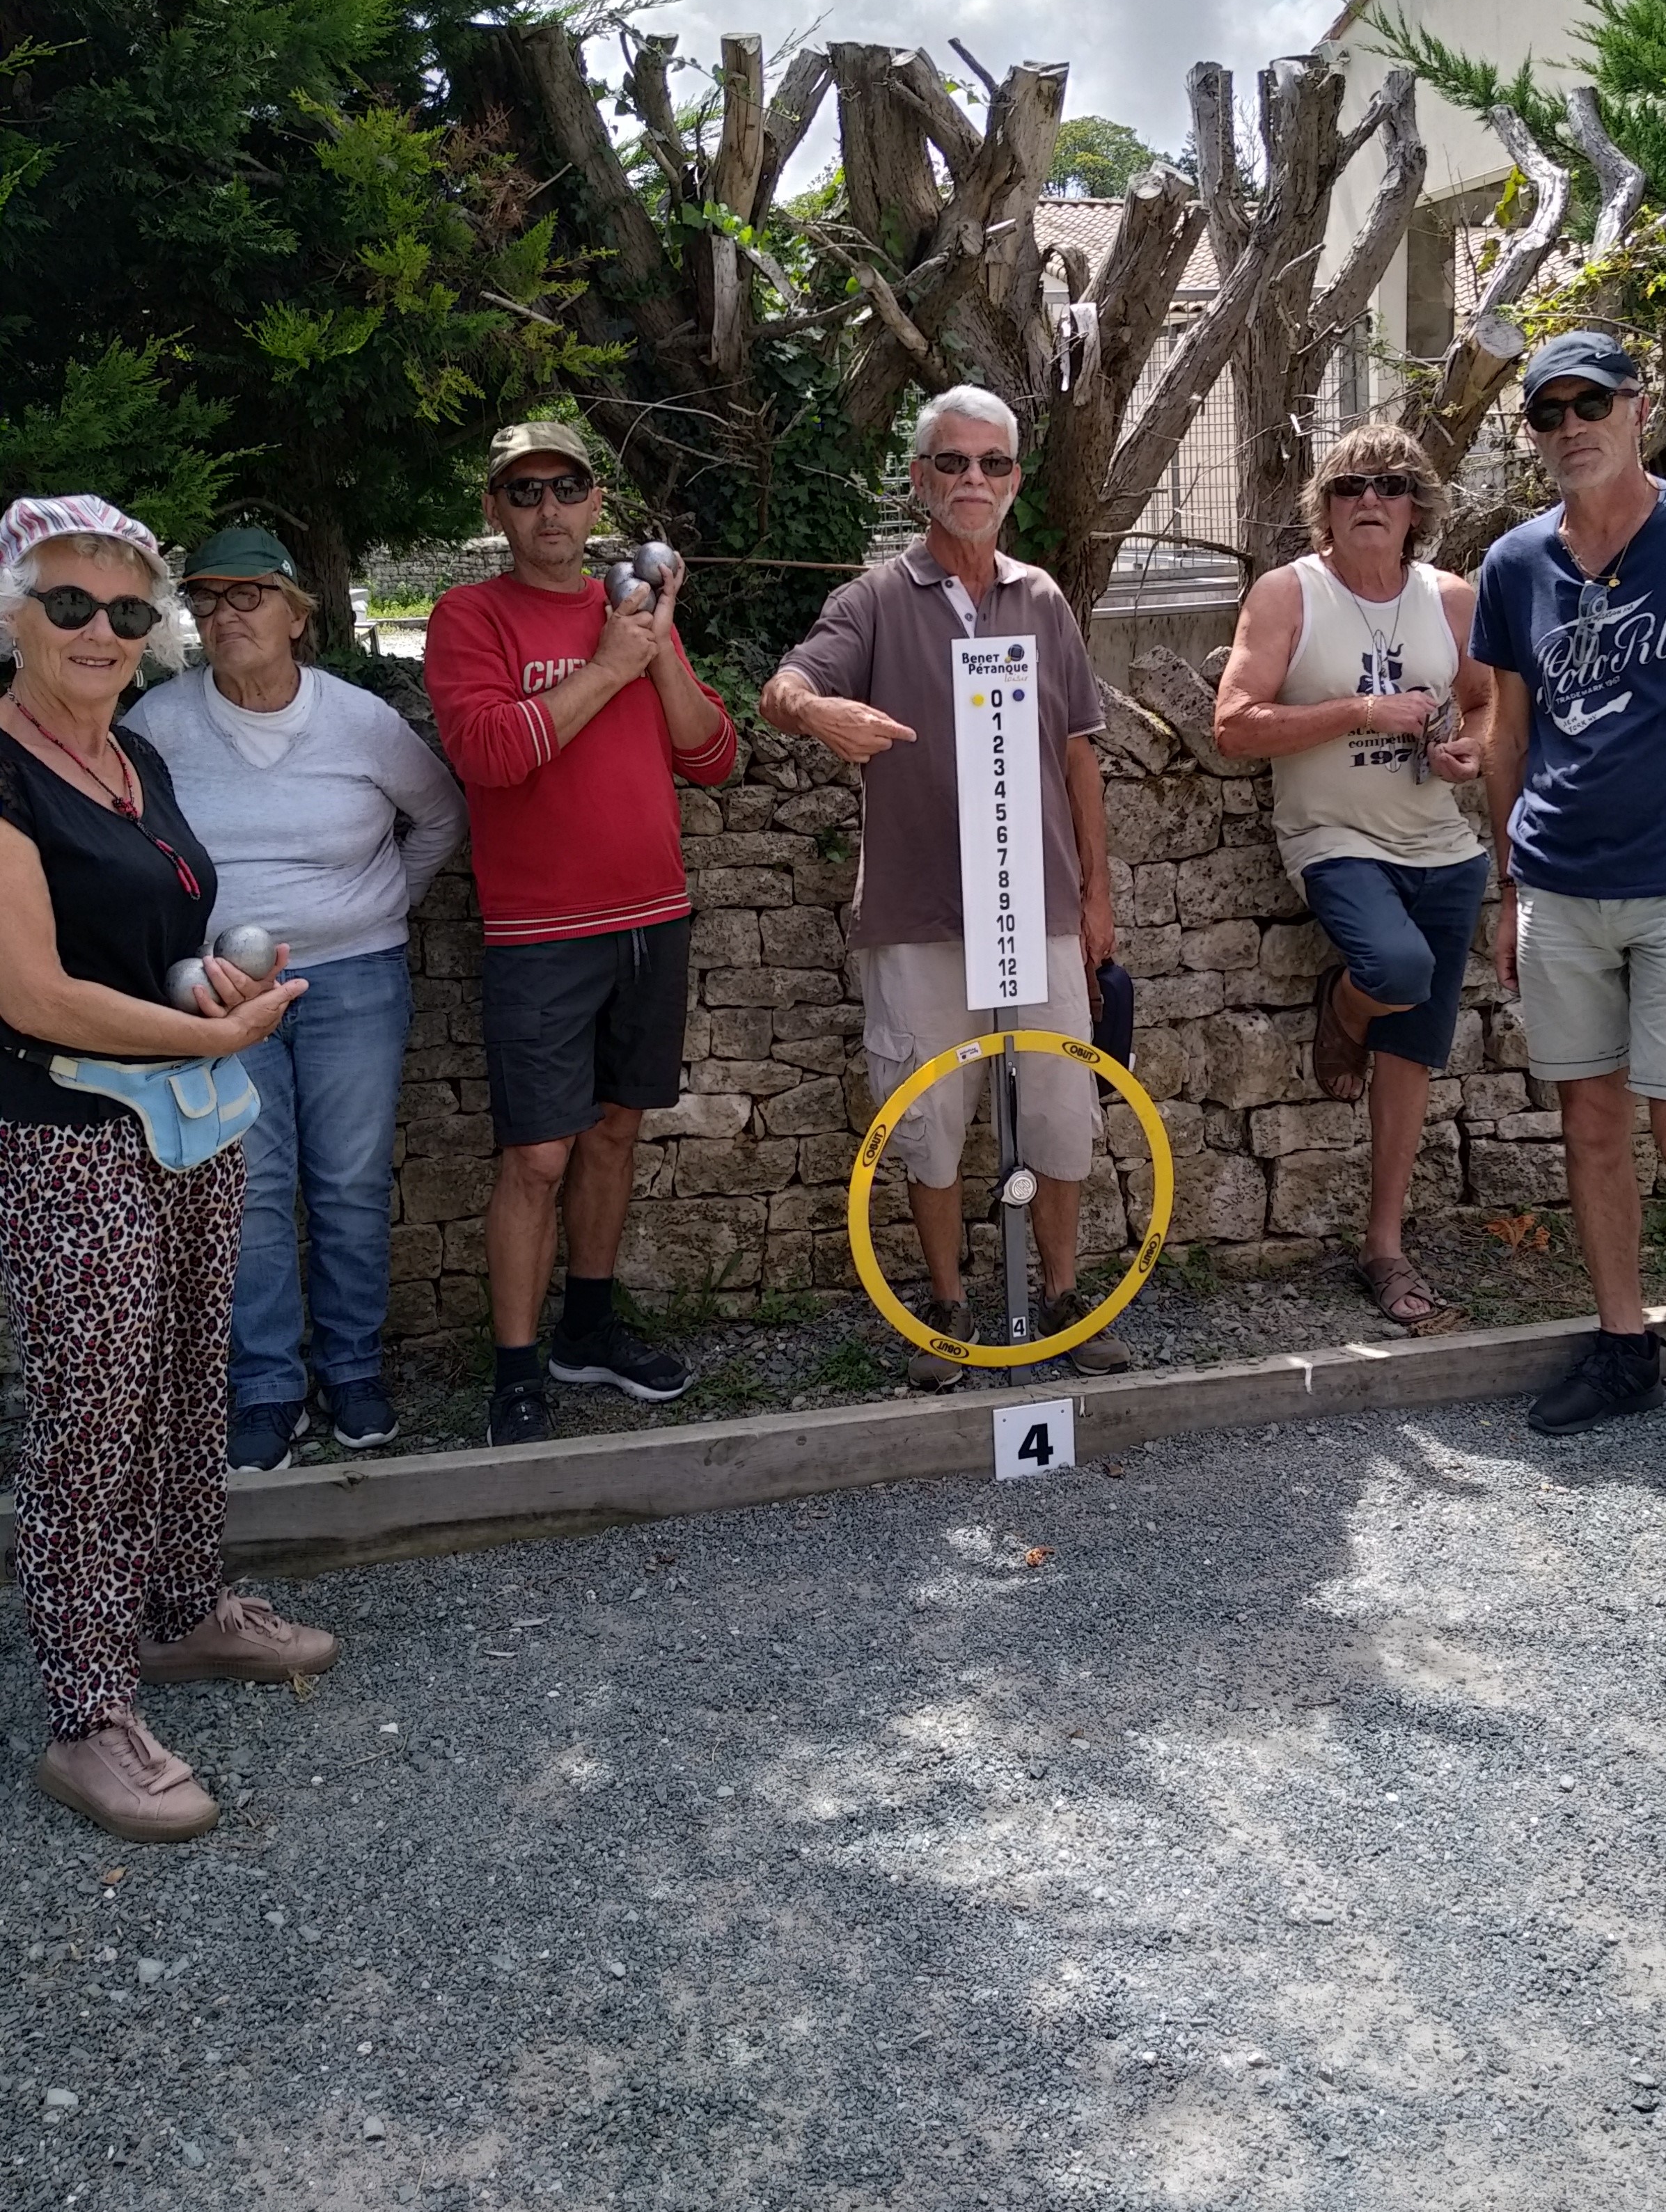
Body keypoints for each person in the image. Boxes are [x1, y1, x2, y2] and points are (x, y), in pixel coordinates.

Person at [0, 495, 336, 1843]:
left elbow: (148, 946)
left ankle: (183, 1610)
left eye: (128, 609)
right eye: (69, 603)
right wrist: (223, 1030)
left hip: (184, 1120)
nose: (101, 630)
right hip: (67, 1130)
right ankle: (88, 1717)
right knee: (92, 1416)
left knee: (193, 1375)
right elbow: (32, 992)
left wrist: (209, 983)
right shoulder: (4, 768)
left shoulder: (135, 757)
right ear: (15, 615)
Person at [1472, 333, 1666, 1496]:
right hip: (1559, 886)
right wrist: (1511, 885)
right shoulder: (1514, 563)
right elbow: (1508, 733)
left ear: (1638, 409)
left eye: (1590, 403)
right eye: (1548, 412)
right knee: (1591, 1126)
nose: (1571, 427)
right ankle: (1623, 1347)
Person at [759, 384, 1126, 1387]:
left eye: (993, 463)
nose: (974, 479)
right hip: (919, 916)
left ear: (1015, 479)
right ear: (920, 478)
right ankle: (950, 1307)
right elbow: (787, 685)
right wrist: (817, 713)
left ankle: (1062, 1297)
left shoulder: (1043, 600)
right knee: (929, 1121)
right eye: (953, 462)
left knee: (1058, 1108)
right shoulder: (875, 600)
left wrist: (1096, 897)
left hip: (1038, 909)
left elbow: (1080, 755)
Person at [425, 422, 738, 1445]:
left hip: (650, 917)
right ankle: (516, 1372)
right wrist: (608, 665)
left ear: (597, 502)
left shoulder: (633, 614)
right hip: (540, 933)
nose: (548, 508)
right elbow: (489, 754)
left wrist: (659, 645)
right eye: (524, 492)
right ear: (495, 511)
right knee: (537, 1157)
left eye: (566, 487)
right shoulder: (469, 617)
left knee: (614, 1133)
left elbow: (713, 756)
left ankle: (587, 1332)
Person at [128, 523, 467, 1468]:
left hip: (354, 978)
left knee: (351, 1183)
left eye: (249, 596)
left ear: (296, 615)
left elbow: (441, 816)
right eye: (207, 598)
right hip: (221, 991)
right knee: (251, 1189)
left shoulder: (359, 721)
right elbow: (126, 843)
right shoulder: (157, 725)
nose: (225, 615)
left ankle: (353, 1369)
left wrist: (382, 906)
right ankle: (267, 1387)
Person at [1213, 423, 1491, 1327]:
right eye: (1348, 487)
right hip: (1333, 837)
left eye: (1390, 486)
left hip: (1443, 848)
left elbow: (1487, 705)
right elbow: (1235, 724)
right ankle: (1343, 1007)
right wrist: (1363, 710)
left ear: (1417, 509)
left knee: (1411, 1055)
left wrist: (1471, 751)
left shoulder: (1452, 598)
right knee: (1395, 971)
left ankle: (1385, 1247)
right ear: (1324, 509)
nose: (1369, 499)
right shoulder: (1290, 593)